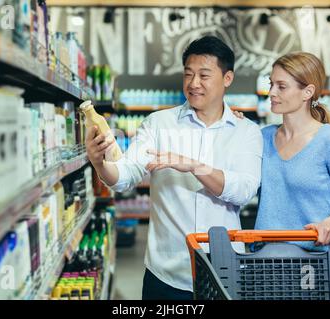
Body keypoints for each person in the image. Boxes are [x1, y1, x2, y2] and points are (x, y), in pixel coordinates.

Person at [85, 36, 263, 299]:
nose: (193, 84)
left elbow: (244, 191)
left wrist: (193, 166)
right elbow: (124, 175)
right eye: (188, 74)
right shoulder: (158, 124)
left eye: (204, 75)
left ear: (227, 78)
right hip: (166, 274)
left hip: (225, 270)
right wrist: (100, 162)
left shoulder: (247, 131)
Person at [253, 52, 330, 251]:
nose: (271, 92)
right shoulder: (262, 138)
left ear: (307, 92)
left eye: (281, 86)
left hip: (315, 264)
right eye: (271, 84)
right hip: (266, 260)